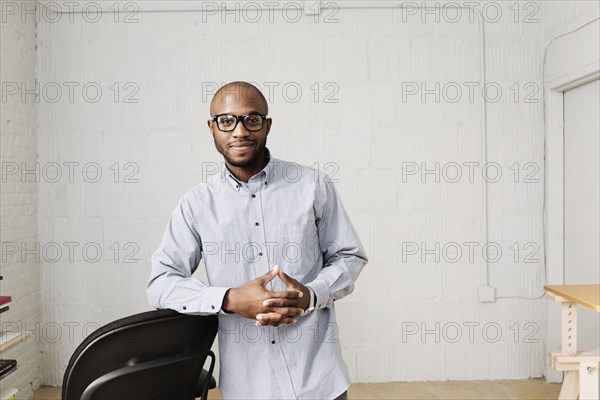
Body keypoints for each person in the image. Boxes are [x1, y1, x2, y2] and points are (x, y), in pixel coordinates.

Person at [146, 81, 368, 400]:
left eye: (252, 119)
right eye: (227, 120)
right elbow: (161, 282)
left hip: (319, 380)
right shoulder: (196, 204)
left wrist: (311, 294)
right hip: (247, 386)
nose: (240, 131)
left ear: (267, 125)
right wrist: (229, 299)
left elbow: (349, 256)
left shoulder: (313, 185)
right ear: (212, 128)